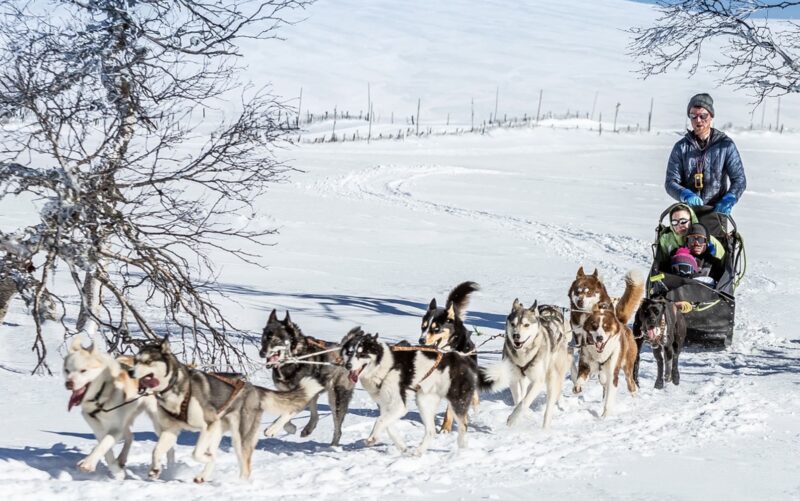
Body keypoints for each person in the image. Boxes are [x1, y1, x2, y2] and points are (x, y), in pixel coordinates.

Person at [665, 93, 746, 215]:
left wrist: (729, 199)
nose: (698, 120)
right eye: (693, 116)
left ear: (711, 116)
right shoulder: (681, 147)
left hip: (717, 212)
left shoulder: (726, 145)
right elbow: (671, 182)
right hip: (688, 214)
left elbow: (739, 179)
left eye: (703, 115)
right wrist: (685, 195)